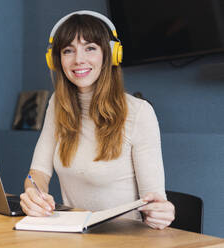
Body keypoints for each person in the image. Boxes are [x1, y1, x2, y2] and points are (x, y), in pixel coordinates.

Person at [19, 10, 175, 230]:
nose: (78, 60)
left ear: (110, 54)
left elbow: (155, 201)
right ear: (56, 60)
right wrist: (34, 193)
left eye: (90, 48)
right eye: (68, 51)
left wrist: (162, 212)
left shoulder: (140, 113)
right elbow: (38, 172)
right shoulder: (57, 104)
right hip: (75, 237)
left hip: (126, 239)